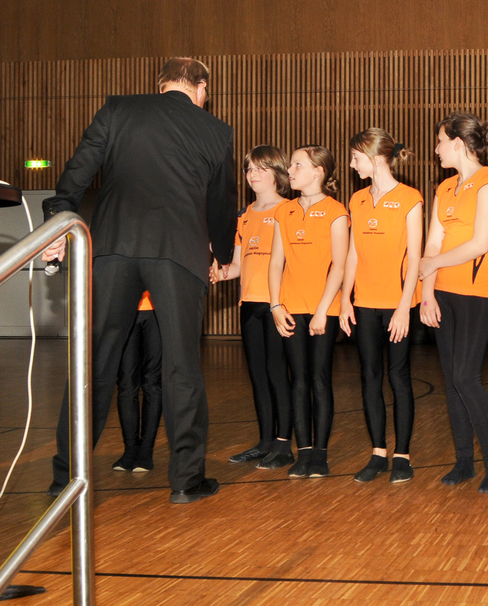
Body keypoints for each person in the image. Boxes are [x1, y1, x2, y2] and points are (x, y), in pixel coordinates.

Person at [41, 57, 236, 504]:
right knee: (182, 367)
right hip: (179, 252)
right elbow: (221, 204)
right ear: (201, 87)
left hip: (114, 247)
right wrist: (223, 254)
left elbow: (75, 175)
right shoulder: (216, 130)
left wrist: (58, 222)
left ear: (161, 83)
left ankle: (66, 479)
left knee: (94, 363)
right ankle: (186, 481)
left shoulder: (117, 109)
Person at [418, 112, 488, 493]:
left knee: (465, 378)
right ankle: (464, 463)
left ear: (457, 143)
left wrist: (431, 263)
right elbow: (433, 242)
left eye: (440, 141)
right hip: (443, 293)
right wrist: (426, 293)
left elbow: (479, 243)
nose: (436, 149)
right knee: (452, 382)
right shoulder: (445, 188)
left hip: (476, 294)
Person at [340, 129, 423, 484]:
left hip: (397, 303)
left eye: (355, 158)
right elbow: (353, 253)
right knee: (370, 377)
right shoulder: (357, 200)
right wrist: (345, 298)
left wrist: (404, 307)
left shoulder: (410, 198)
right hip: (364, 302)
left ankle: (402, 455)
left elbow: (415, 257)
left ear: (375, 160)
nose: (351, 164)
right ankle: (378, 452)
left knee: (398, 377)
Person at [210, 145, 295, 469]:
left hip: (279, 304)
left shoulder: (289, 210)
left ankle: (284, 445)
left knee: (277, 374)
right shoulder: (243, 216)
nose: (253, 174)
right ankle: (265, 441)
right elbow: (238, 265)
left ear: (277, 172)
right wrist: (220, 272)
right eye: (249, 169)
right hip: (249, 304)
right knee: (258, 377)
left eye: (261, 168)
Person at [269, 145, 348, 479]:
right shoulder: (283, 211)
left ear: (318, 171)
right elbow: (276, 263)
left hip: (323, 309)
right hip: (290, 307)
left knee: (319, 379)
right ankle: (303, 453)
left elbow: (340, 266)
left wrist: (321, 311)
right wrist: (275, 305)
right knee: (298, 381)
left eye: (297, 165)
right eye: (291, 166)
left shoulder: (336, 211)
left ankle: (320, 455)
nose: (290, 171)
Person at [112, 291, 162, 474]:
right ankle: (130, 449)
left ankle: (146, 451)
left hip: (158, 310)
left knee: (153, 382)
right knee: (126, 383)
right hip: (125, 309)